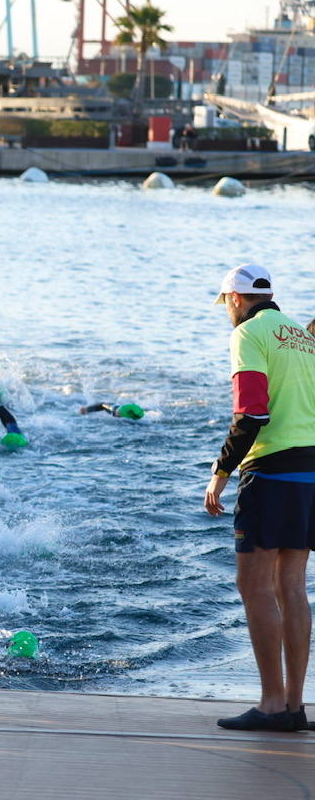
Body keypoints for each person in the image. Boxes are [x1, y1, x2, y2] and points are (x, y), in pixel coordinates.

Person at [203, 264, 315, 732]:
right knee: (292, 585)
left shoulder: (249, 333)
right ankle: (294, 705)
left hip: (271, 473)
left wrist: (220, 473)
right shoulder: (301, 334)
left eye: (226, 303)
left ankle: (271, 705)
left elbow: (252, 411)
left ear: (234, 298)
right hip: (312, 470)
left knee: (254, 586)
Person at [80, 402, 145, 420]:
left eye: (118, 414)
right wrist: (87, 409)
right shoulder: (113, 409)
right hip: (116, 407)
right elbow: (102, 405)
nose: (116, 415)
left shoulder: (136, 415)